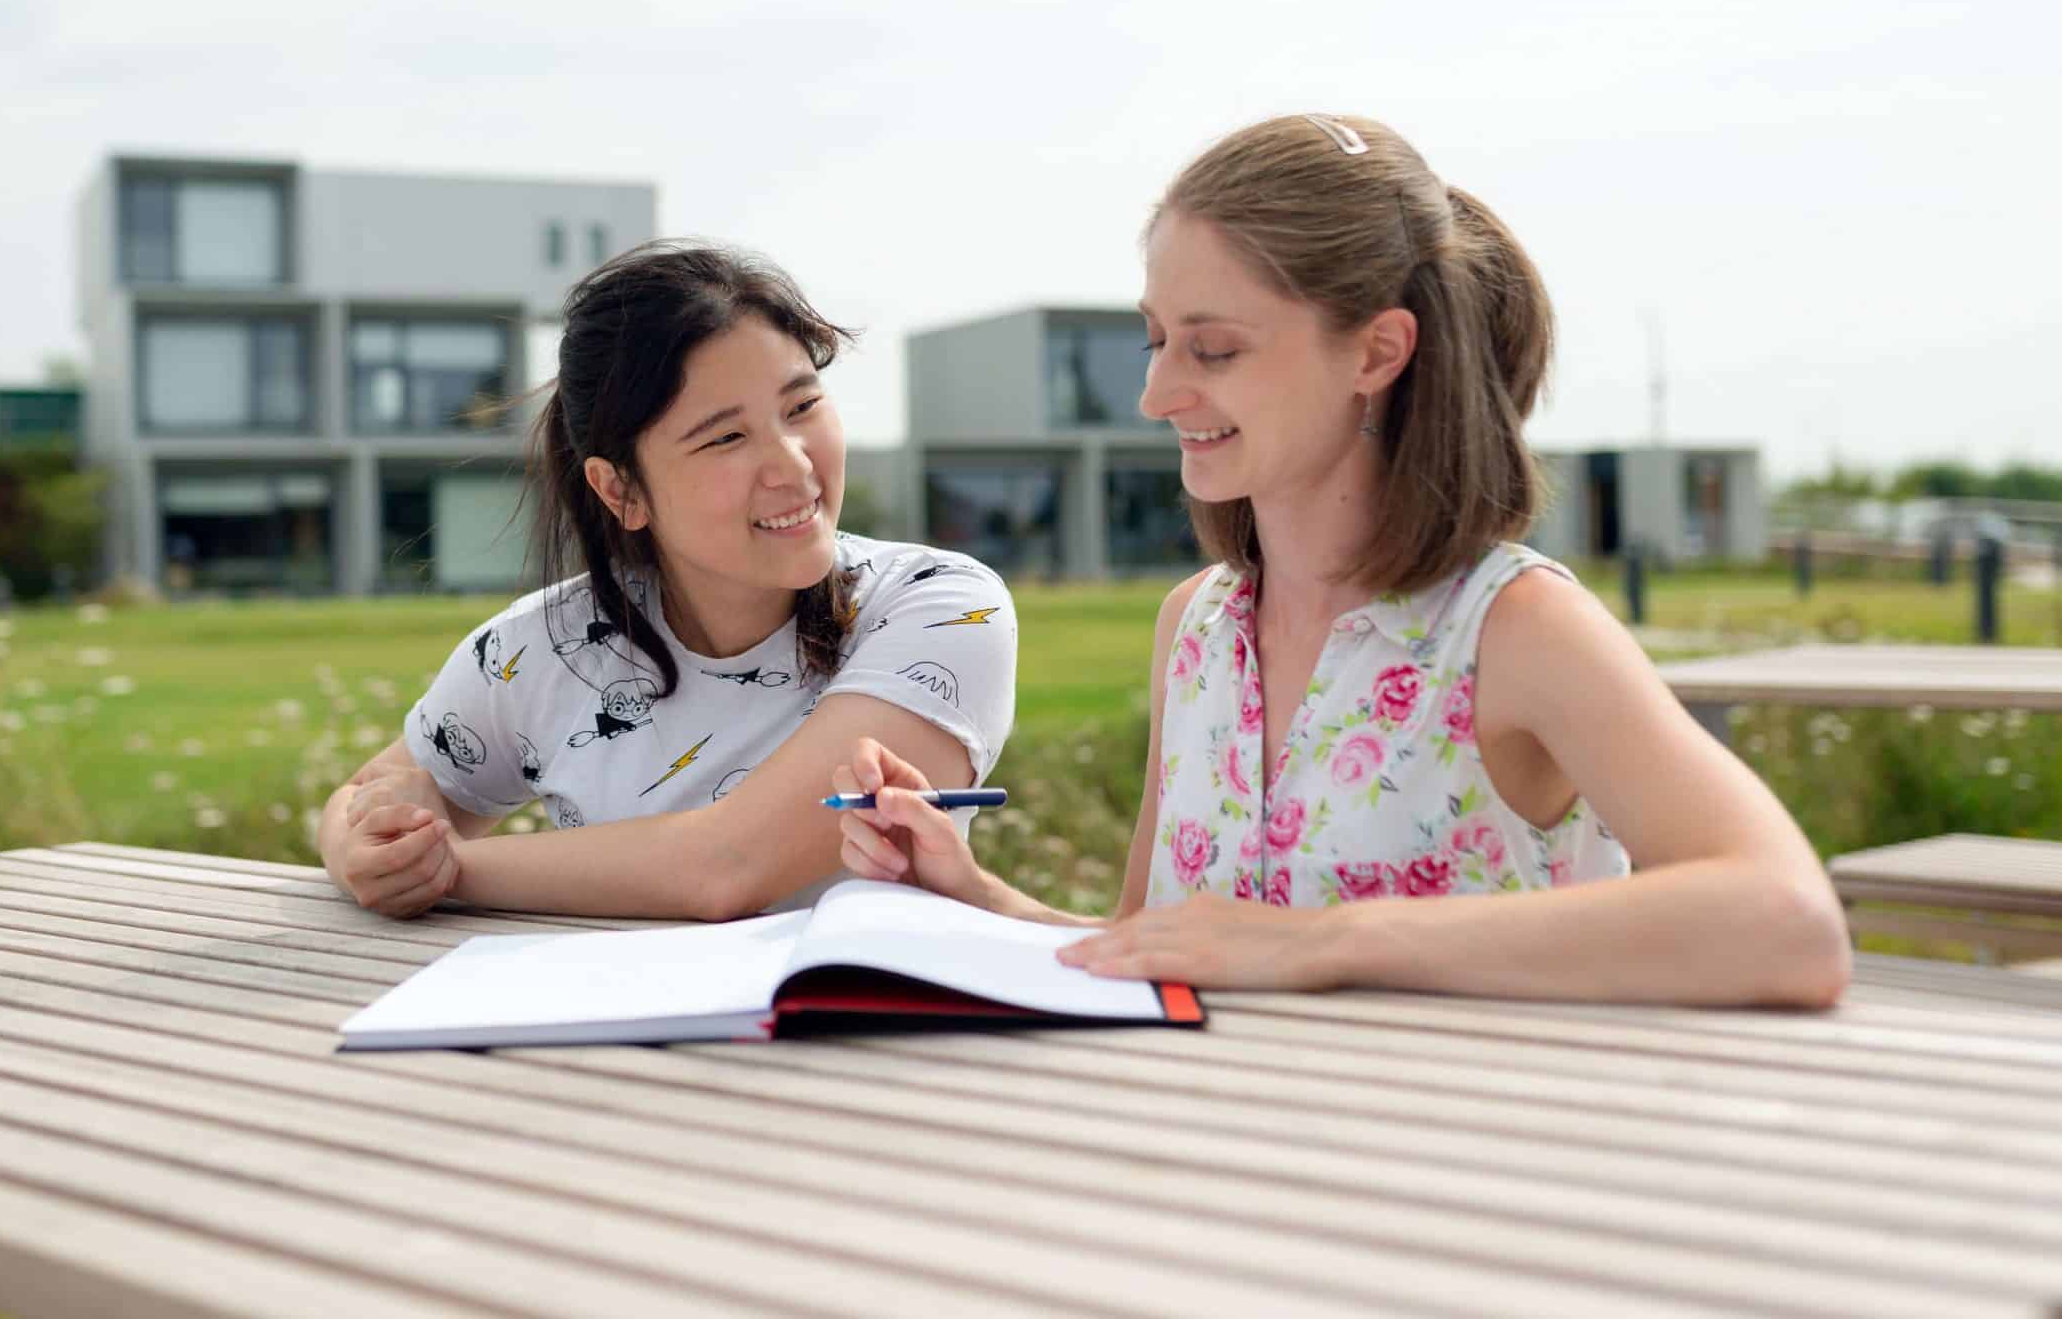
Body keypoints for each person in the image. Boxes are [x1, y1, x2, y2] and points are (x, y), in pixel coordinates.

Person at [835, 113, 1852, 1006]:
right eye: (1154, 341)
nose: (1156, 394)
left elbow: (1788, 922)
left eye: (1214, 348)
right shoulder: (1194, 628)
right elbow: (1162, 948)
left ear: (1375, 352)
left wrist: (1327, 944)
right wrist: (971, 891)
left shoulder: (1515, 628)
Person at [320, 240, 1017, 920]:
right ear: (620, 490)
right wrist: (366, 848)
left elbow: (731, 865)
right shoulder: (540, 649)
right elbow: (367, 795)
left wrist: (447, 870)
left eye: (802, 408)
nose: (794, 467)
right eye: (726, 438)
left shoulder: (942, 606)